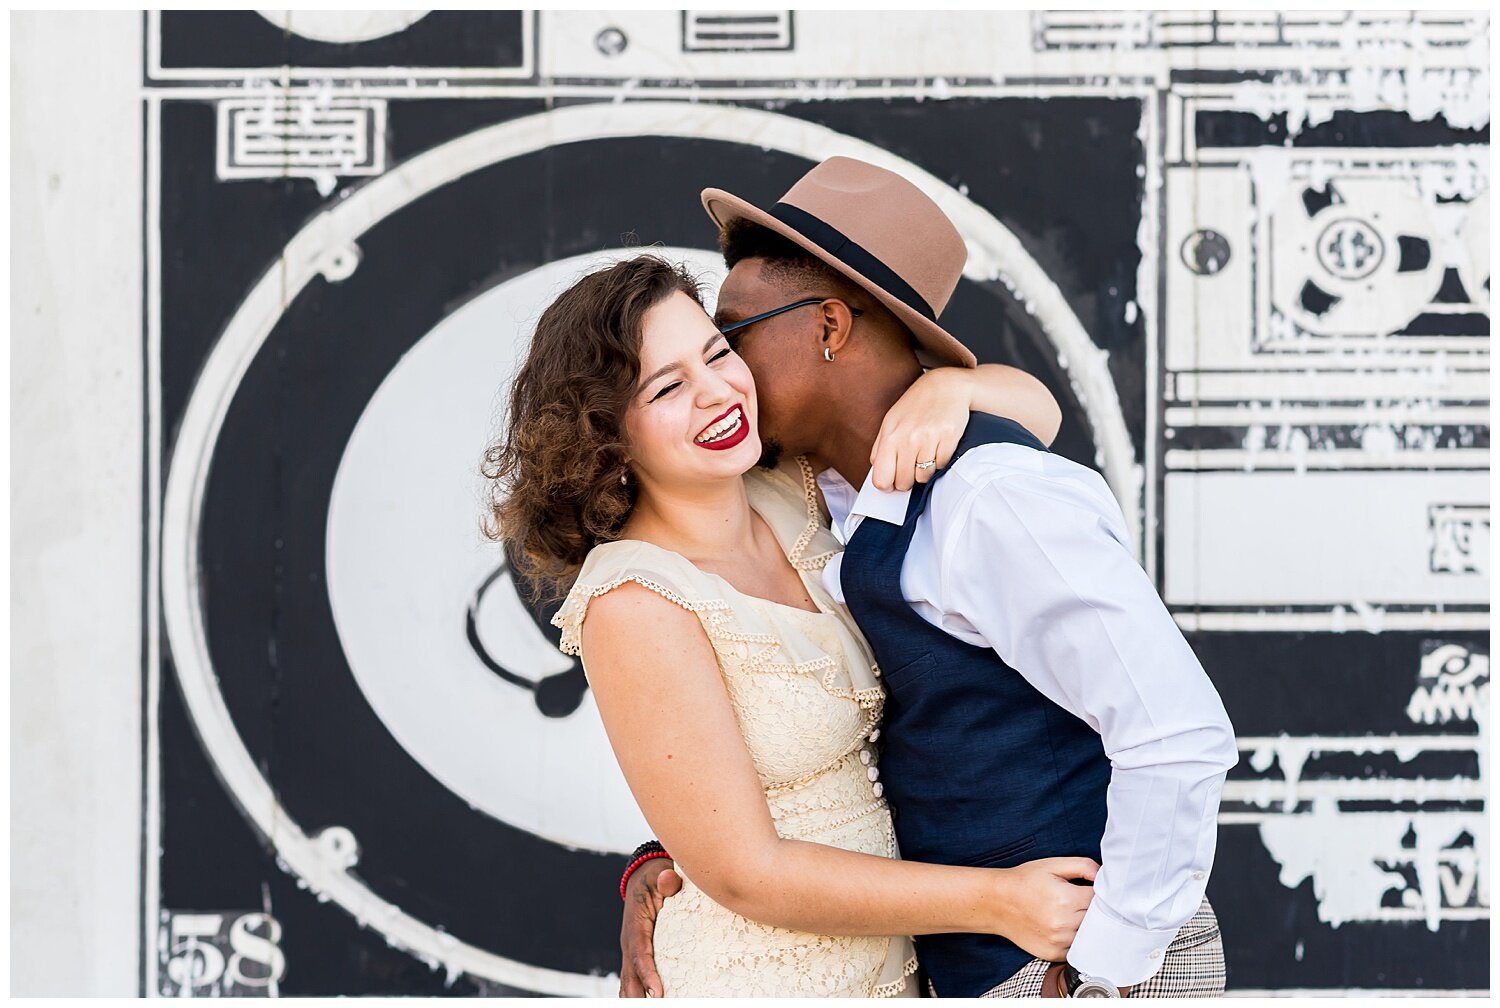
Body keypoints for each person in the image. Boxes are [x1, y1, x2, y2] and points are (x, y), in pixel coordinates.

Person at [617, 157, 1240, 998]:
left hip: (1070, 967)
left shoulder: (992, 497)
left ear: (830, 326)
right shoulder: (818, 496)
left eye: (733, 338)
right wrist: (673, 851)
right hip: (962, 967)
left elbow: (1176, 733)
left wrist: (1105, 968)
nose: (726, 375)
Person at [485, 253, 1096, 997]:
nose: (717, 392)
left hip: (900, 968)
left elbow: (1039, 415)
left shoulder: (793, 483)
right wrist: (1001, 902)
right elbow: (746, 873)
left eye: (717, 352)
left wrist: (951, 390)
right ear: (605, 436)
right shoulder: (633, 600)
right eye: (670, 386)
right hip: (766, 978)